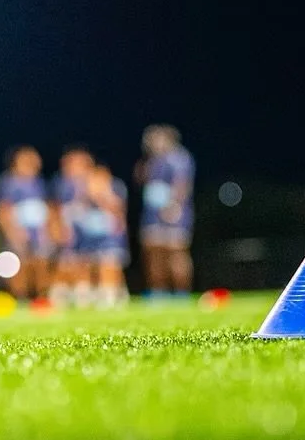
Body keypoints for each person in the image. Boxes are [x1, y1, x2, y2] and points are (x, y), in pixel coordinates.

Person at [137, 124, 195, 298]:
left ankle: (181, 292)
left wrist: (174, 205)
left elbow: (182, 184)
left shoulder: (179, 158)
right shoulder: (152, 161)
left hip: (174, 212)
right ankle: (158, 292)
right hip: (152, 215)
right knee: (154, 253)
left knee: (176, 252)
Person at [0, 146, 52, 300]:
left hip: (39, 232)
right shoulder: (8, 182)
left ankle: (41, 297)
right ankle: (20, 297)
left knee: (41, 262)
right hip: (19, 229)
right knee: (19, 264)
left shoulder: (39, 182)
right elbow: (3, 209)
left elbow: (46, 206)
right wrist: (12, 230)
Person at [49, 145, 95, 308]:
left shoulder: (93, 180)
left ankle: (83, 294)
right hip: (68, 226)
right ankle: (58, 295)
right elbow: (55, 206)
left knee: (85, 260)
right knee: (65, 262)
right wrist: (57, 227)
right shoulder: (61, 182)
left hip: (87, 228)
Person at [85, 162, 130, 308]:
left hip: (111, 235)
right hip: (94, 237)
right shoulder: (84, 191)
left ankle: (112, 295)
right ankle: (111, 294)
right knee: (96, 265)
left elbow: (118, 210)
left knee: (110, 264)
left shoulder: (115, 188)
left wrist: (100, 195)